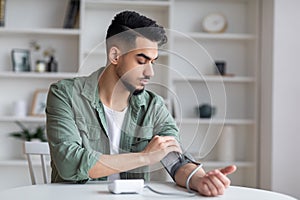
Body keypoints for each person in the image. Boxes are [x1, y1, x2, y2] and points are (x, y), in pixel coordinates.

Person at [46, 10, 236, 197]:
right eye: (141, 60)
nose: (150, 72)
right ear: (115, 56)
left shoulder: (154, 106)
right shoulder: (66, 95)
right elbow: (69, 164)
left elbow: (176, 161)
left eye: (153, 61)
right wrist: (144, 157)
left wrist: (199, 179)